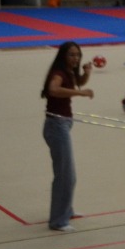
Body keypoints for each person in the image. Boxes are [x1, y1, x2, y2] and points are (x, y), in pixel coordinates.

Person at [42, 42, 94, 231]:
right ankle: (58, 220)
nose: (76, 58)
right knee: (65, 175)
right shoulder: (58, 73)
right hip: (56, 126)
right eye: (72, 55)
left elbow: (78, 81)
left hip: (63, 124)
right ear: (63, 55)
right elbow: (53, 89)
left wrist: (86, 73)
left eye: (78, 55)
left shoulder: (68, 71)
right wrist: (80, 93)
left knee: (68, 174)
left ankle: (66, 210)